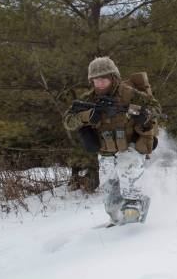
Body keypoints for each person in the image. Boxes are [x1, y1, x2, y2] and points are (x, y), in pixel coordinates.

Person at [63, 57, 161, 225]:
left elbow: (156, 108)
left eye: (104, 79)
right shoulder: (88, 99)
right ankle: (118, 222)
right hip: (106, 151)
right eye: (96, 80)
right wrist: (86, 116)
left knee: (127, 173)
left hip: (131, 147)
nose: (100, 83)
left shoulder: (129, 93)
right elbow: (67, 121)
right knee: (110, 203)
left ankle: (136, 208)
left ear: (113, 78)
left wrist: (147, 115)